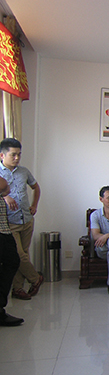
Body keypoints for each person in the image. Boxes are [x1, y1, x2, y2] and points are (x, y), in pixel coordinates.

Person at [0, 138, 43, 301]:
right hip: (8, 223)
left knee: (24, 254)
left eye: (19, 154)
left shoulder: (24, 171)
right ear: (2, 155)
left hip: (26, 219)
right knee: (18, 255)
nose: (17, 158)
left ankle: (18, 289)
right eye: (13, 155)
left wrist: (34, 205)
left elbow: (35, 187)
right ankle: (36, 278)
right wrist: (5, 197)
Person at [0, 176, 23, 326]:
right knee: (12, 262)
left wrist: (5, 192)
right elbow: (4, 186)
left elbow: (5, 188)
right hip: (1, 234)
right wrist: (5, 191)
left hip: (5, 231)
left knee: (13, 262)